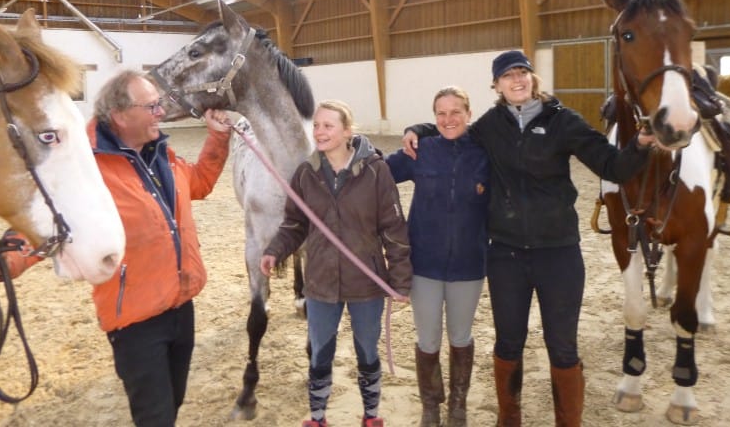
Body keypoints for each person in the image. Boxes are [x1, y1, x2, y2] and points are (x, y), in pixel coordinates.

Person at [403, 51, 654, 427]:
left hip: (559, 253)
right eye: (507, 76)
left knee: (563, 346)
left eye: (522, 72)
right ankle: (509, 419)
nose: (516, 80)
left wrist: (642, 144)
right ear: (497, 86)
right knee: (508, 344)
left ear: (533, 79)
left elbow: (610, 165)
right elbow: (453, 128)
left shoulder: (563, 121)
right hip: (505, 255)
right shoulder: (489, 125)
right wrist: (419, 129)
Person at [0, 70, 231, 427]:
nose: (161, 112)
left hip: (182, 305)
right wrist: (4, 260)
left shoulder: (161, 154)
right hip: (136, 319)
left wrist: (217, 137)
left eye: (159, 104)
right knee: (155, 417)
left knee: (173, 402)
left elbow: (199, 183)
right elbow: (51, 218)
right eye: (152, 106)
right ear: (121, 115)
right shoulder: (88, 166)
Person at [259, 100, 412, 427]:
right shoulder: (306, 173)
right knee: (320, 353)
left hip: (367, 283)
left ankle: (371, 416)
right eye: (316, 125)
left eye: (329, 126)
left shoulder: (376, 171)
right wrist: (275, 250)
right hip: (321, 284)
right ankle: (317, 418)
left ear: (347, 131)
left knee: (367, 353)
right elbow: (294, 224)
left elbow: (394, 229)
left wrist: (400, 281)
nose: (320, 132)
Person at [385, 86, 490, 427]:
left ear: (469, 114)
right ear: (434, 117)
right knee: (427, 338)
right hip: (425, 265)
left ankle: (457, 403)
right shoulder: (421, 152)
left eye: (456, 112)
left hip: (469, 265)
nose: (448, 119)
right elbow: (378, 173)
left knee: (461, 337)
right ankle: (431, 404)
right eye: (441, 114)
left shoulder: (486, 152)